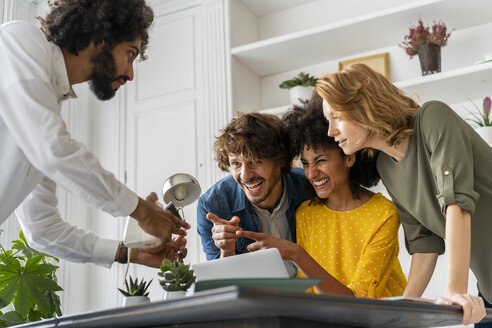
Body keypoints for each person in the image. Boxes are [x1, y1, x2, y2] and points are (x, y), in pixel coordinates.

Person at [0, 0, 189, 268]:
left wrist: (128, 253)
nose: (130, 74)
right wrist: (141, 211)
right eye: (130, 54)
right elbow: (52, 149)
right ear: (102, 37)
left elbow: (41, 228)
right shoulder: (19, 40)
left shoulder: (49, 104)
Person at [316, 63, 489, 326]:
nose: (330, 131)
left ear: (364, 106)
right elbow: (424, 241)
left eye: (336, 116)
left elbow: (457, 204)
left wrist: (454, 290)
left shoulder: (433, 118)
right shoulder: (386, 165)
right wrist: (406, 308)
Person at [237, 93, 407, 297]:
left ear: (349, 157)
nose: (311, 173)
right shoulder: (305, 213)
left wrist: (296, 254)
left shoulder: (383, 213)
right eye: (306, 163)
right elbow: (309, 291)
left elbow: (360, 300)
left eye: (321, 160)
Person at [196, 113, 308, 275]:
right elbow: (221, 285)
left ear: (281, 159)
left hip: (312, 295)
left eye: (255, 161)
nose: (245, 176)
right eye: (236, 163)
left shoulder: (308, 187)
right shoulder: (213, 206)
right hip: (254, 298)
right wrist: (226, 251)